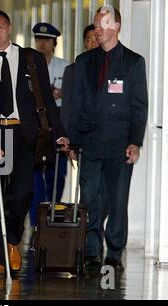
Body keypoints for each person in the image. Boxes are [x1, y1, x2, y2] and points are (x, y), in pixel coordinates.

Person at [0, 10, 69, 275]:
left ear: (9, 28)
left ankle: (12, 241)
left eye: (0, 27)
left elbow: (46, 101)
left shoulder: (30, 58)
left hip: (24, 135)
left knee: (20, 195)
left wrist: (60, 133)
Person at [67, 6, 148, 271]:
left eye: (102, 26)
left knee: (116, 201)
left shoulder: (133, 62)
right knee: (90, 199)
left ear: (116, 27)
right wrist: (72, 141)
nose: (97, 31)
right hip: (89, 144)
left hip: (120, 144)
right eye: (96, 26)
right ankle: (92, 251)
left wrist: (136, 141)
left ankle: (114, 253)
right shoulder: (84, 61)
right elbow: (75, 103)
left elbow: (139, 106)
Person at [29, 22, 71, 227]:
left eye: (46, 40)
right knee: (35, 173)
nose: (42, 44)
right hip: (36, 123)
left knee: (58, 174)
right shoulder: (29, 66)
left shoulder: (65, 67)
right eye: (39, 39)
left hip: (57, 122)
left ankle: (54, 213)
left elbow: (72, 96)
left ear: (54, 43)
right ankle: (38, 219)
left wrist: (62, 94)